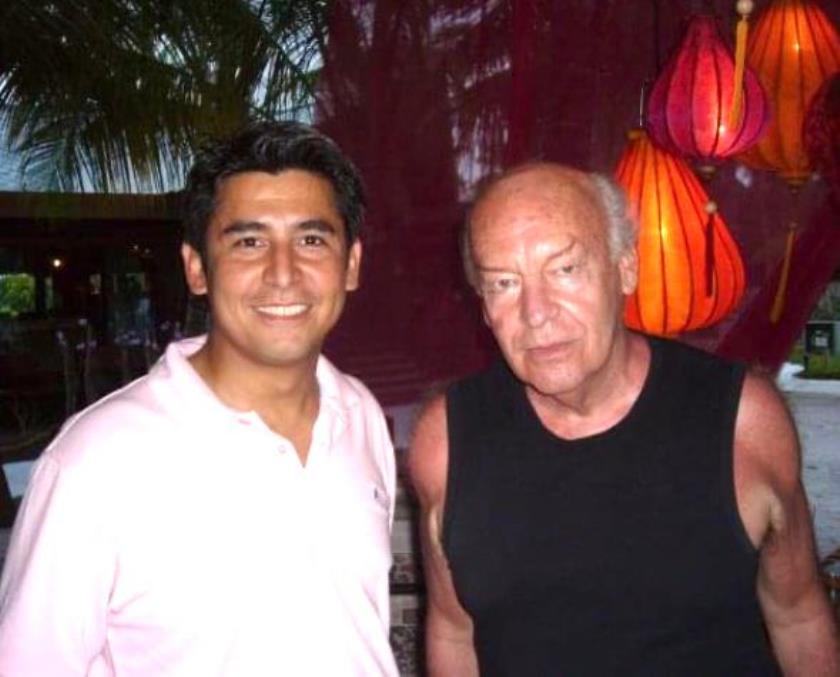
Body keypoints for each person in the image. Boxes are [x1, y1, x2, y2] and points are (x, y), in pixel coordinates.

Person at [0, 121, 399, 676]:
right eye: (248, 242)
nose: (283, 273)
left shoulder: (360, 417)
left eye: (311, 240)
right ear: (196, 268)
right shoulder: (95, 463)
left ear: (350, 264)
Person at [409, 163, 840, 676]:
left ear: (626, 268)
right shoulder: (446, 440)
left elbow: (798, 616)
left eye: (565, 269)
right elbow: (453, 632)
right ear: (483, 307)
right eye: (504, 283)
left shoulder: (744, 421)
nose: (536, 312)